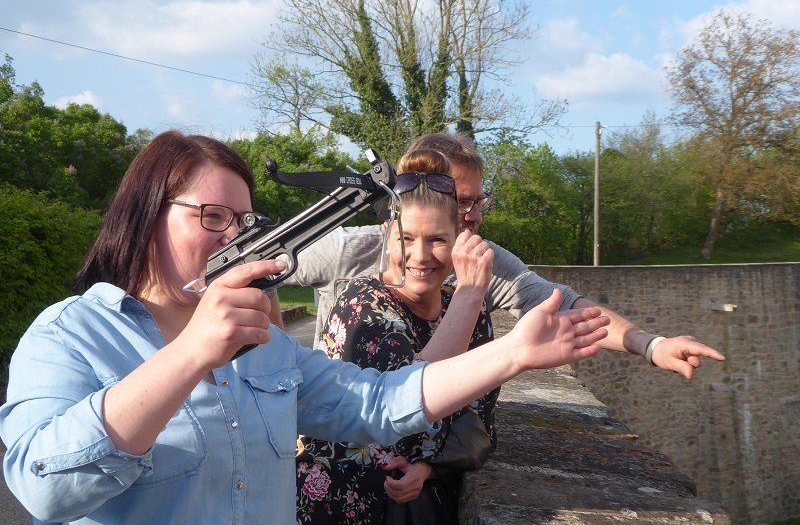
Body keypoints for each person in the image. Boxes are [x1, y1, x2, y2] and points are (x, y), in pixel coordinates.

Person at [0, 130, 610, 525]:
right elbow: (44, 488)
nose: (234, 236)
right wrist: (190, 353)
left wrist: (513, 353)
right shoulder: (69, 335)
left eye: (242, 220)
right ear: (145, 216)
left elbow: (378, 403)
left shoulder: (262, 348)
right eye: (212, 216)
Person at [286, 132, 725, 378]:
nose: (473, 217)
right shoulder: (352, 250)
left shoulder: (483, 262)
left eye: (480, 201)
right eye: (459, 201)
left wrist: (650, 344)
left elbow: (565, 305)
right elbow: (253, 271)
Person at [296, 149, 493, 525]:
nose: (420, 255)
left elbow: (479, 420)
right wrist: (470, 299)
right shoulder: (364, 304)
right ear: (388, 235)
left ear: (460, 238)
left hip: (404, 523)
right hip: (333, 522)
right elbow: (406, 412)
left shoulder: (471, 311)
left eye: (437, 239)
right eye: (406, 238)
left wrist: (428, 467)